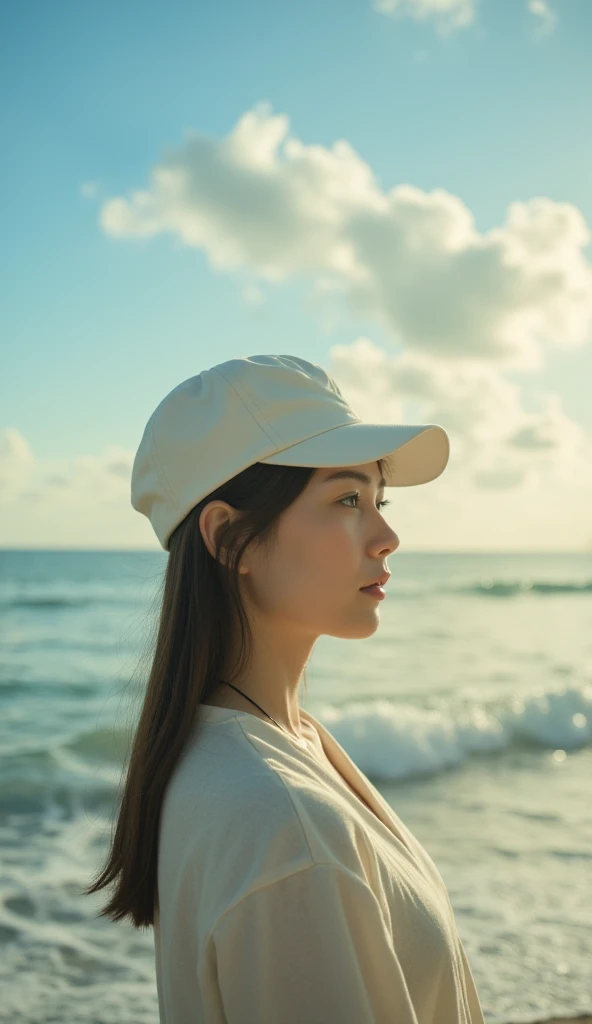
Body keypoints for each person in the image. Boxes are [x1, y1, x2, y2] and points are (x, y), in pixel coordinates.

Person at [84, 353, 486, 1023]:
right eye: (347, 499)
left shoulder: (266, 748)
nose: (387, 536)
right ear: (229, 538)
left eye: (378, 500)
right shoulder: (281, 825)